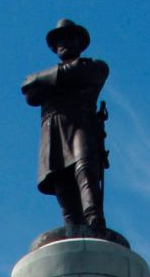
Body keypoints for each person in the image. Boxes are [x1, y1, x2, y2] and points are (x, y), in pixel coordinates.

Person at [21, 19, 110, 229]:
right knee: (60, 178)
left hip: (80, 123)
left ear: (80, 43)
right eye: (60, 40)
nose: (64, 43)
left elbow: (80, 72)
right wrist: (57, 79)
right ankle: (72, 225)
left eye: (70, 38)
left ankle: (93, 218)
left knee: (85, 167)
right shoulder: (64, 74)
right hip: (52, 130)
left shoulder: (95, 67)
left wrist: (41, 79)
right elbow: (29, 95)